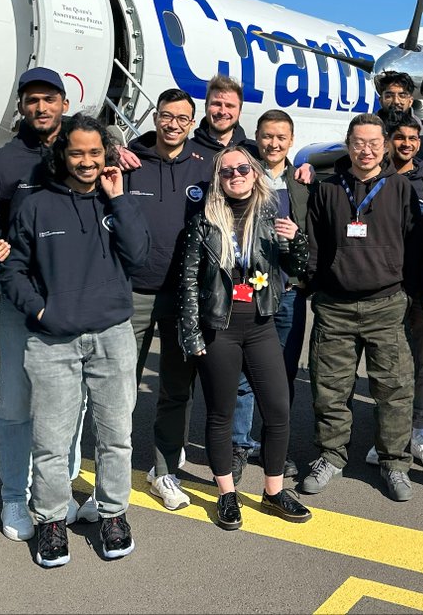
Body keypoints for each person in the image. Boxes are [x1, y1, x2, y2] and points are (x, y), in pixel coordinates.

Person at [0, 114, 150, 567]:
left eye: (95, 152)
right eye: (77, 152)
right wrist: (40, 310)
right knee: (50, 438)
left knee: (116, 435)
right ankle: (49, 521)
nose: (87, 161)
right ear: (62, 156)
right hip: (52, 342)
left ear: (107, 155)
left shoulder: (116, 202)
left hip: (112, 336)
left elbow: (138, 256)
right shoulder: (36, 205)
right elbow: (13, 269)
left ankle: (113, 514)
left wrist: (118, 198)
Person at [179, 146, 313, 530]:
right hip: (219, 328)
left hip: (259, 325)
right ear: (218, 180)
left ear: (255, 173)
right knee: (221, 414)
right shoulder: (204, 219)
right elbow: (188, 280)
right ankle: (226, 494)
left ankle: (273, 491)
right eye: (226, 171)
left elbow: (297, 269)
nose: (235, 175)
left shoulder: (271, 216)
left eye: (242, 168)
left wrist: (297, 240)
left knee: (279, 410)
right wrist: (191, 334)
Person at [0, 67, 84, 540]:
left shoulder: (82, 150)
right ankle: (13, 498)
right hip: (23, 302)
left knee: (71, 405)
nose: (41, 108)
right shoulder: (4, 162)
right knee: (16, 405)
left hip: (75, 300)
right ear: (21, 106)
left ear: (64, 102)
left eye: (49, 99)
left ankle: (59, 491)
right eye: (32, 100)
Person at [301, 114, 416, 502]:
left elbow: (414, 246)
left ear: (384, 146)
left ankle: (395, 463)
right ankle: (331, 455)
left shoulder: (400, 188)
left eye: (373, 143)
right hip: (335, 307)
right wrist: (311, 286)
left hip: (386, 305)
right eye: (358, 143)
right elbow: (314, 247)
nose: (365, 151)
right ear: (348, 145)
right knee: (330, 390)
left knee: (394, 390)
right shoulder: (327, 189)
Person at [123, 88, 213, 511]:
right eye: (165, 116)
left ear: (192, 123)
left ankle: (164, 472)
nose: (173, 123)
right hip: (135, 291)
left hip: (184, 295)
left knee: (176, 390)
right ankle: (113, 472)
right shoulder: (131, 159)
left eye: (182, 117)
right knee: (119, 388)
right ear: (155, 117)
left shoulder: (207, 164)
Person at [361, 120, 423, 470]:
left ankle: (418, 431)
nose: (407, 143)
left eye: (413, 138)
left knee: (420, 363)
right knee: (386, 367)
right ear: (388, 142)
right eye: (400, 137)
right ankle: (387, 434)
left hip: (420, 288)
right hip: (384, 288)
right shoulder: (373, 179)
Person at [231, 109, 311, 482]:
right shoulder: (241, 175)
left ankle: (275, 446)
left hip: (288, 292)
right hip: (249, 289)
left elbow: (311, 238)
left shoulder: (302, 183)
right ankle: (238, 444)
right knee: (243, 374)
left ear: (291, 140)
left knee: (282, 375)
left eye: (281, 137)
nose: (273, 143)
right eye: (267, 136)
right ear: (257, 138)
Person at [373, 70, 423, 157]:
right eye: (389, 96)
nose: (396, 101)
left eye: (402, 96)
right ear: (381, 100)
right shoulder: (367, 131)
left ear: (410, 101)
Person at [187, 73, 249, 159]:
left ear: (240, 111)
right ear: (206, 107)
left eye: (229, 106)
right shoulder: (186, 152)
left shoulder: (253, 152)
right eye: (216, 104)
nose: (222, 111)